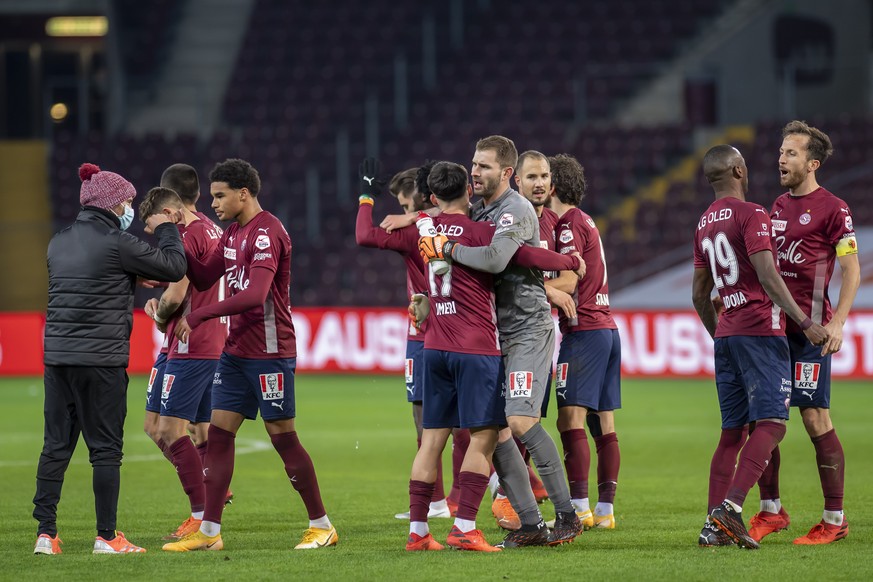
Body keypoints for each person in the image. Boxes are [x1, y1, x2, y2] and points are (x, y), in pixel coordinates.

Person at [162, 158, 336, 552]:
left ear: (244, 193)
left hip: (269, 352)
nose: (215, 203)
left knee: (283, 438)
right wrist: (175, 233)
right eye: (212, 197)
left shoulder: (265, 232)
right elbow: (204, 275)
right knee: (219, 435)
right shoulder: (233, 233)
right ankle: (209, 534)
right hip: (236, 352)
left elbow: (256, 295)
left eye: (221, 196)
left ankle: (321, 525)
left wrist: (202, 313)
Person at [419, 135, 584, 545]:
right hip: (493, 334)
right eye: (474, 164)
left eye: (485, 166)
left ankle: (568, 515)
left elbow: (495, 260)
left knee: (520, 419)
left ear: (506, 173)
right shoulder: (480, 210)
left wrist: (448, 247)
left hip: (527, 329)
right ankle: (531, 524)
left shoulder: (515, 210)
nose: (475, 172)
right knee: (495, 431)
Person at [33, 163, 186, 556]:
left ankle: (46, 535)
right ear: (115, 204)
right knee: (105, 450)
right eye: (129, 202)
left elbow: (87, 279)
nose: (131, 209)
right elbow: (174, 266)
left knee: (55, 447)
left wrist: (130, 276)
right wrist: (168, 226)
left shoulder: (58, 241)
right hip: (101, 361)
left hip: (57, 360)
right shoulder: (118, 242)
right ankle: (107, 536)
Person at [690, 145, 828, 549]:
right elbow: (767, 275)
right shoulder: (753, 214)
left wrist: (719, 334)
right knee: (773, 423)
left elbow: (699, 295)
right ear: (737, 169)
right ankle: (731, 509)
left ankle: (712, 527)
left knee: (731, 433)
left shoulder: (702, 223)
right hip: (761, 331)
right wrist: (805, 322)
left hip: (728, 333)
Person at [749, 121, 860, 545]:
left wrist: (838, 323)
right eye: (781, 151)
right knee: (766, 418)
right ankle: (771, 510)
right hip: (772, 331)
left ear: (812, 163)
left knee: (814, 418)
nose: (781, 158)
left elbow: (851, 270)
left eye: (791, 153)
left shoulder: (835, 208)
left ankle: (835, 519)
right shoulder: (775, 206)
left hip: (811, 334)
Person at [355, 160, 454, 520]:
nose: (399, 211)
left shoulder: (413, 231)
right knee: (463, 423)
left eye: (403, 204)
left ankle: (440, 501)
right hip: (457, 329)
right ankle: (453, 500)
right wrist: (417, 215)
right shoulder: (459, 223)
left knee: (425, 420)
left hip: (424, 334)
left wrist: (366, 196)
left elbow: (364, 235)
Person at [138, 183, 228, 541]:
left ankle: (202, 514)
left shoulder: (187, 236)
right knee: (167, 426)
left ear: (171, 213)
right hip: (196, 341)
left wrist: (160, 315)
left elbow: (177, 295)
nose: (151, 232)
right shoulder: (207, 226)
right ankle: (208, 491)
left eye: (154, 225)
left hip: (192, 342)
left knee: (168, 430)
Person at [547, 153, 621, 531]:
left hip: (585, 329)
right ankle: (605, 510)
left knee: (568, 419)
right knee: (603, 423)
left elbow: (571, 279)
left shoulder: (566, 224)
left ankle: (578, 508)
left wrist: (533, 290)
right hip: (607, 328)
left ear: (553, 185)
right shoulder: (587, 219)